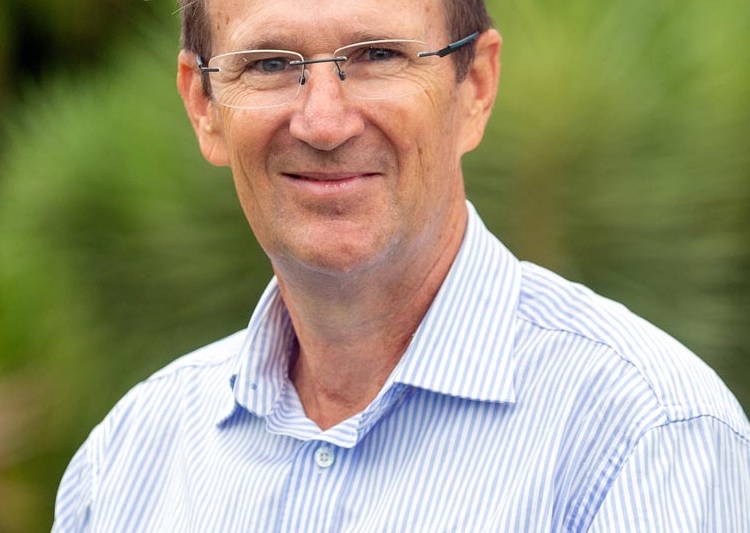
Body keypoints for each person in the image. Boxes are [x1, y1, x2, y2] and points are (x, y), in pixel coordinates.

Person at [52, 0, 750, 530]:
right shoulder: (127, 464)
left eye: (378, 55)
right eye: (269, 63)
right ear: (204, 104)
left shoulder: (645, 437)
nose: (324, 123)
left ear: (474, 86)